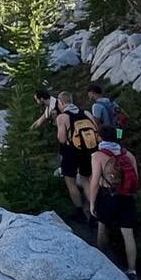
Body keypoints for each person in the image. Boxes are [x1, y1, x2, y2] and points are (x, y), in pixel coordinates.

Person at [89, 121, 138, 280]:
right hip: (127, 198)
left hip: (108, 196)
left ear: (100, 137)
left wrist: (92, 202)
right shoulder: (128, 155)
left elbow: (95, 182)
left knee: (102, 227)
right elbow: (136, 178)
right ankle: (132, 271)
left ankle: (101, 264)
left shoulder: (98, 156)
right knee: (128, 234)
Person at [54, 92, 100, 222]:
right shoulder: (86, 113)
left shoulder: (62, 117)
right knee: (86, 180)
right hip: (88, 152)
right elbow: (96, 131)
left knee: (71, 182)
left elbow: (62, 139)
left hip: (70, 153)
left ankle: (79, 213)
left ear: (61, 102)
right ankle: (94, 211)